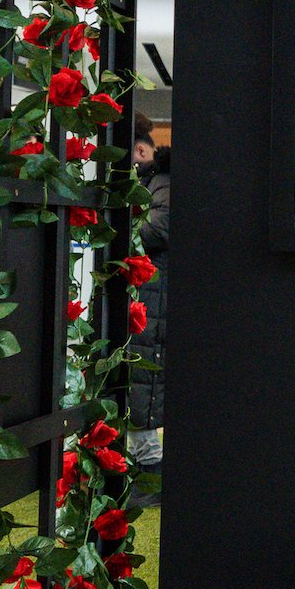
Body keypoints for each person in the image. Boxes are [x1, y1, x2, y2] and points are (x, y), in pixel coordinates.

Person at [127, 135, 170, 467]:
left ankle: (150, 467)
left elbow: (157, 231)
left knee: (144, 381)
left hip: (154, 294)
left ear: (141, 150)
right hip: (148, 293)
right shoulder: (154, 182)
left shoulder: (162, 183)